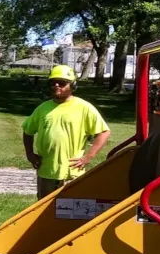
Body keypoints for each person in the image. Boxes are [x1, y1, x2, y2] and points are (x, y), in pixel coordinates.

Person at [22, 64, 111, 199]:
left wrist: (88, 157)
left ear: (73, 85)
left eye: (62, 83)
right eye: (53, 82)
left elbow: (104, 132)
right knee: (43, 210)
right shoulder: (43, 108)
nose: (56, 85)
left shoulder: (84, 107)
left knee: (71, 212)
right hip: (46, 169)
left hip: (72, 172)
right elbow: (27, 131)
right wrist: (29, 154)